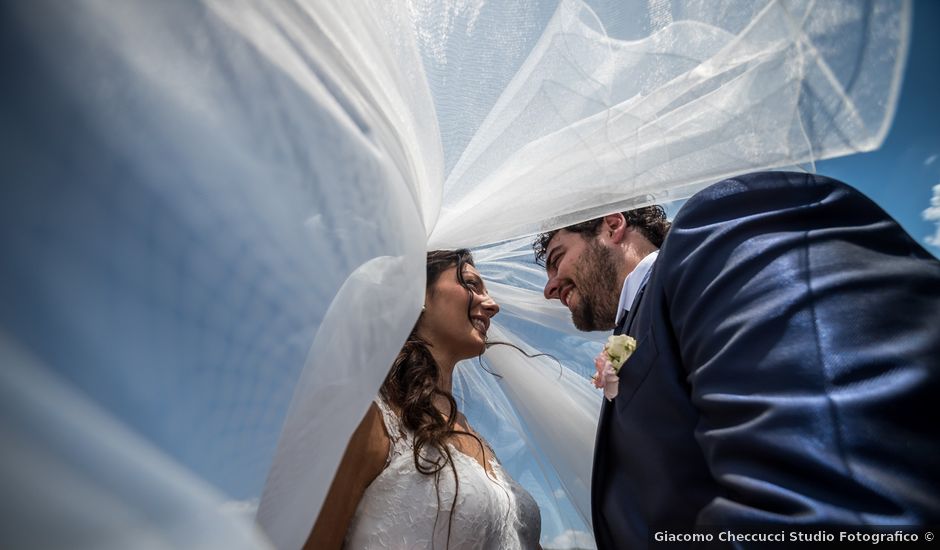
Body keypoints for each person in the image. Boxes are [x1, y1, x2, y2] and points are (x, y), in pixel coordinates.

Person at [534, 171, 940, 548]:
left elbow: (832, 486)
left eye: (556, 259)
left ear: (612, 224)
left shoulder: (713, 236)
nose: (550, 288)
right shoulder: (638, 324)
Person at [306, 249, 542, 549]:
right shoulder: (371, 417)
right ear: (416, 293)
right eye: (470, 284)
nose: (493, 305)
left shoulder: (475, 435)